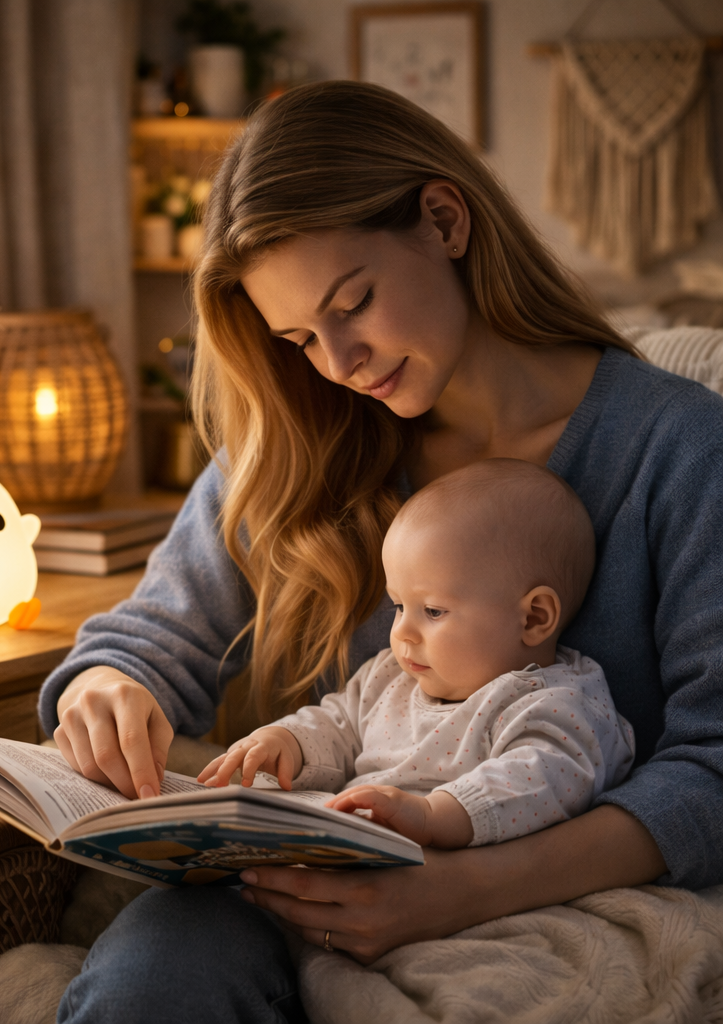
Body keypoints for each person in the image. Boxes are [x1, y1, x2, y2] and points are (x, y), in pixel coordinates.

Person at [42, 81, 723, 1024]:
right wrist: (104, 687)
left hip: (555, 900)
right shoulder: (300, 441)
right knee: (149, 989)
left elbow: (713, 770)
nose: (339, 363)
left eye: (353, 303)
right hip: (289, 886)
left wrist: (461, 886)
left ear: (445, 220)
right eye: (298, 338)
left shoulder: (681, 449)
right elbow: (148, 641)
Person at [198, 459, 636, 855]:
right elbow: (337, 724)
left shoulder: (553, 703)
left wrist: (431, 816)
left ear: (534, 618)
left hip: (449, 877)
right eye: (398, 606)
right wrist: (286, 743)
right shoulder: (391, 677)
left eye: (433, 611)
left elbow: (544, 779)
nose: (402, 632)